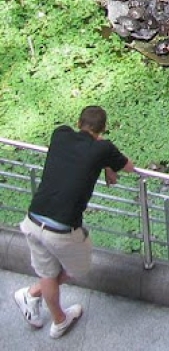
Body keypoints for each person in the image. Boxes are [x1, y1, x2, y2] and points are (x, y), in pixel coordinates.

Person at [15, 105, 135, 339]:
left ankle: (58, 319)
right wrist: (110, 165)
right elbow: (128, 166)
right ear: (102, 130)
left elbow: (83, 157)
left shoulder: (60, 134)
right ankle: (33, 293)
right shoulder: (103, 148)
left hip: (32, 220)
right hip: (61, 230)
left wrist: (106, 163)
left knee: (47, 273)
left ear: (78, 123)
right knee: (77, 268)